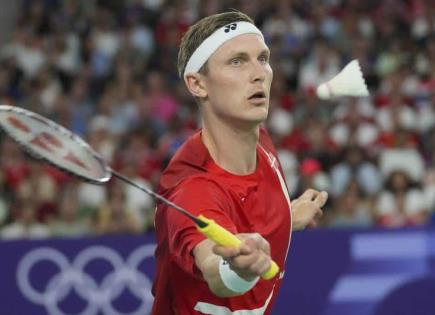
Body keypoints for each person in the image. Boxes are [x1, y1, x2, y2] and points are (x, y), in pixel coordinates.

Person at [152, 10, 328, 315]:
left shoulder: (260, 142)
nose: (259, 73)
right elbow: (213, 266)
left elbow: (249, 199)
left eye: (263, 58)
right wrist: (239, 269)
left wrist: (287, 216)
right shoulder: (191, 189)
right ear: (197, 85)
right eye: (237, 61)